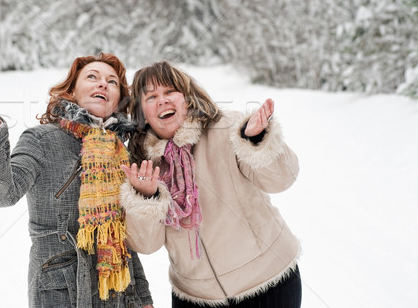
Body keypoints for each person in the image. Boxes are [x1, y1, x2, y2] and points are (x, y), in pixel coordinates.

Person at [0, 53, 154, 308]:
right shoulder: (41, 139)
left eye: (112, 82)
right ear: (72, 90)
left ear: (119, 99)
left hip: (118, 295)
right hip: (61, 291)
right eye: (92, 77)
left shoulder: (121, 152)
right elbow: (0, 195)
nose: (103, 84)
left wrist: (143, 298)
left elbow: (122, 236)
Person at [119, 61, 301, 308]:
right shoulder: (143, 165)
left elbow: (282, 179)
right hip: (195, 298)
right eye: (151, 97)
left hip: (268, 283)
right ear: (142, 113)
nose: (162, 101)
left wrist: (256, 139)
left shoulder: (228, 128)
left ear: (187, 97)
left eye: (170, 91)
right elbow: (146, 245)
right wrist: (146, 197)